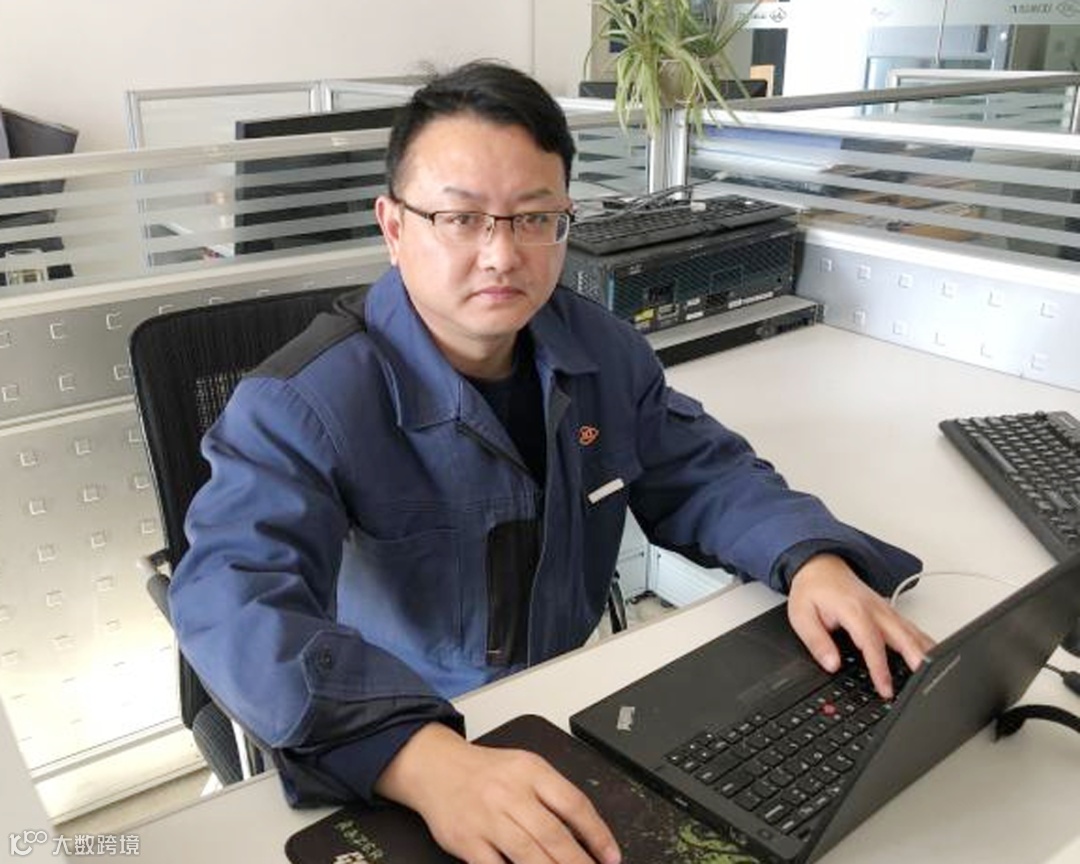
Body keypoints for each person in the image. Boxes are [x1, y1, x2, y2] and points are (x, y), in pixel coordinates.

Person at [169, 61, 934, 864]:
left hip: (565, 699)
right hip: (405, 731)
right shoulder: (302, 402)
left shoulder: (600, 349)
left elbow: (703, 472)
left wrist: (810, 560)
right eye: (460, 219)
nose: (502, 255)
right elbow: (231, 594)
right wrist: (417, 759)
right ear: (394, 227)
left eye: (535, 218)